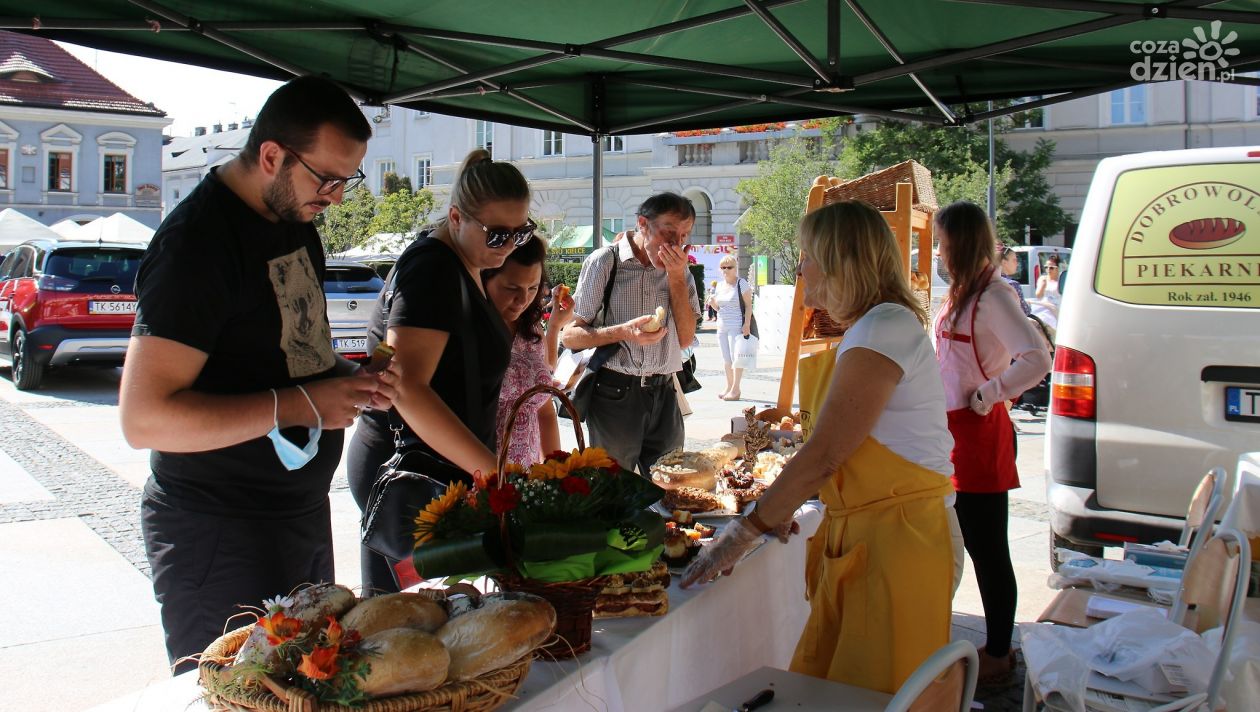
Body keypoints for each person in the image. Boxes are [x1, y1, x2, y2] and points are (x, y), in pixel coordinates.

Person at [119, 76, 399, 672]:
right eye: (327, 179)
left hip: (293, 513)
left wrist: (350, 378)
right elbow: (146, 419)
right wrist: (300, 405)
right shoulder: (197, 245)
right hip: (216, 529)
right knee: (240, 692)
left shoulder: (293, 215)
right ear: (271, 155)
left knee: (309, 685)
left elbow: (287, 353)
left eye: (347, 181)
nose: (337, 197)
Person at [683, 201, 957, 695]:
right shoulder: (873, 326)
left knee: (872, 695)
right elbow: (844, 450)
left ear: (840, 261)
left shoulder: (884, 328)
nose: (802, 269)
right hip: (871, 535)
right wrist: (790, 498)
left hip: (899, 544)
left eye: (808, 256)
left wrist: (744, 532)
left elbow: (826, 453)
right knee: (838, 690)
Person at [347, 148, 531, 594]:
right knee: (403, 624)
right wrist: (492, 469)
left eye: (520, 233)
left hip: (438, 468)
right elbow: (406, 386)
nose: (507, 247)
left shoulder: (463, 266)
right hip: (413, 473)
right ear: (456, 217)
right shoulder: (432, 269)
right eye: (496, 235)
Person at [933, 201, 1051, 684]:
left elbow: (1038, 358)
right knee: (964, 542)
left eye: (941, 241)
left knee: (988, 548)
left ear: (957, 242)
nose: (937, 251)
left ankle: (1001, 653)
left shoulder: (994, 296)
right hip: (953, 431)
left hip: (979, 433)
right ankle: (991, 644)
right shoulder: (964, 291)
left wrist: (990, 393)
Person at [561, 192, 700, 475]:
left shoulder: (681, 272)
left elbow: (686, 339)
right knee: (615, 488)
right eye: (669, 232)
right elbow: (570, 335)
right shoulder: (605, 261)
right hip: (615, 392)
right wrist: (623, 332)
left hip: (665, 390)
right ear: (643, 224)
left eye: (684, 236)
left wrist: (675, 277)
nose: (676, 244)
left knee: (669, 485)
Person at [484, 235, 573, 467]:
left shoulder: (529, 326)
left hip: (527, 471)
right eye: (511, 287)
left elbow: (544, 405)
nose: (523, 299)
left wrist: (555, 472)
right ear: (484, 278)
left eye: (533, 288)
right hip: (480, 472)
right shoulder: (471, 331)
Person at [706, 253, 754, 400]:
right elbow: (718, 308)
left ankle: (736, 389)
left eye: (729, 267)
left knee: (736, 358)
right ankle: (729, 386)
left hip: (736, 326)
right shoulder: (719, 285)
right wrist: (711, 301)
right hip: (722, 326)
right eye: (723, 267)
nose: (725, 270)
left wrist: (746, 324)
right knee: (726, 359)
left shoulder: (741, 283)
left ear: (735, 268)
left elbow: (748, 306)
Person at [998, 246, 1033, 316]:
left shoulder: (987, 281)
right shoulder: (1012, 285)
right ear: (1004, 262)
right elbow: (1025, 311)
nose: (1017, 264)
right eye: (1014, 260)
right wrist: (1029, 305)